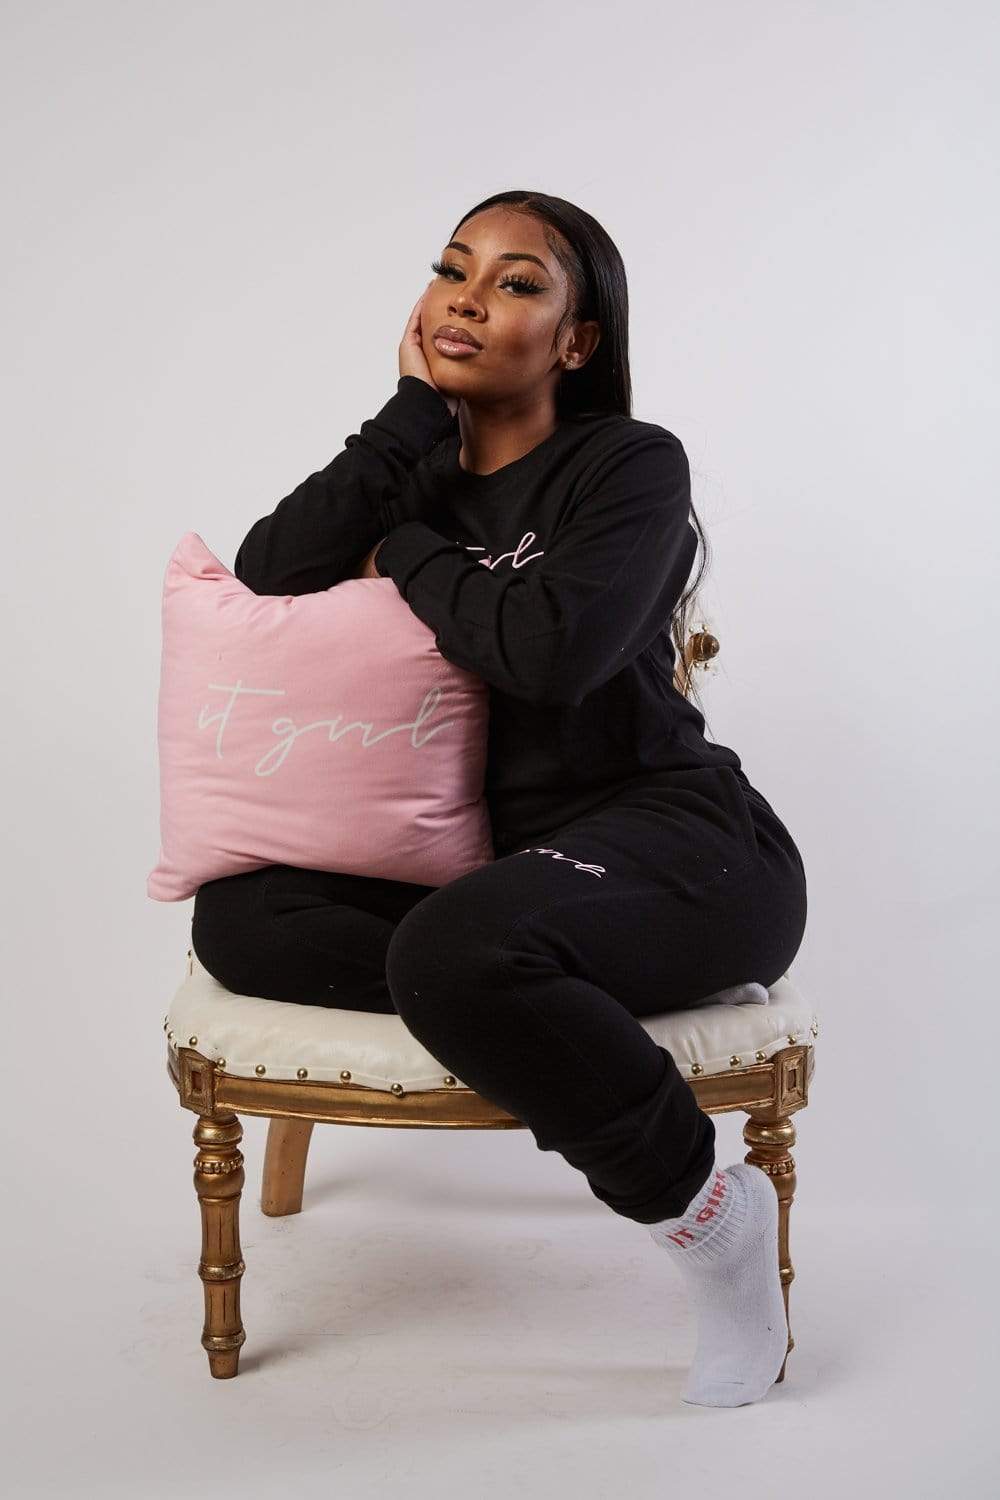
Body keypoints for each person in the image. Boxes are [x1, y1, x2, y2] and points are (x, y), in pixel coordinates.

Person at [192, 191, 808, 1408]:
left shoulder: (627, 465)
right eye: (450, 270)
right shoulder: (407, 471)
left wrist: (407, 554)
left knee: (456, 950)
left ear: (576, 341)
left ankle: (706, 1214)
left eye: (518, 283)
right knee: (245, 918)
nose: (469, 299)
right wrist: (406, 422)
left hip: (677, 842)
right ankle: (518, 987)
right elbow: (265, 580)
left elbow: (548, 653)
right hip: (496, 865)